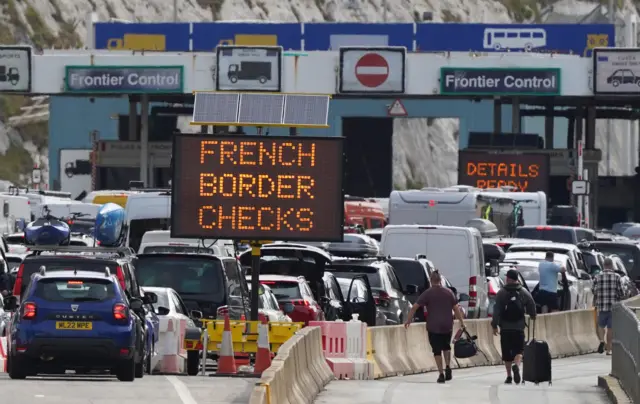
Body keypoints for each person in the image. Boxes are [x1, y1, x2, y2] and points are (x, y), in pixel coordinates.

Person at [404, 270, 465, 384]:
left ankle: (441, 373)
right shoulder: (448, 292)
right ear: (440, 280)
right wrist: (461, 322)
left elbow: (415, 307)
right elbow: (456, 308)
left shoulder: (428, 293)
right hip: (447, 325)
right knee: (446, 347)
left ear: (431, 280)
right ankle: (448, 366)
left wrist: (408, 320)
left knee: (436, 350)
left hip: (433, 326)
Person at [492, 269, 537, 385]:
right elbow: (531, 303)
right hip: (519, 328)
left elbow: (496, 310)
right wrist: (532, 315)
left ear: (507, 279)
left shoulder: (501, 292)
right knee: (519, 350)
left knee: (507, 354)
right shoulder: (523, 291)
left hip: (505, 328)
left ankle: (508, 376)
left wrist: (494, 325)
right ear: (517, 279)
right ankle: (516, 365)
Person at [592, 257, 624, 355]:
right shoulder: (617, 277)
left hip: (601, 306)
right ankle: (609, 349)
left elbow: (593, 290)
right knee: (611, 328)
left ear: (604, 265)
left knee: (601, 326)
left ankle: (602, 341)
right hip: (613, 307)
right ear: (611, 266)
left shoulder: (597, 277)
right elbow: (621, 293)